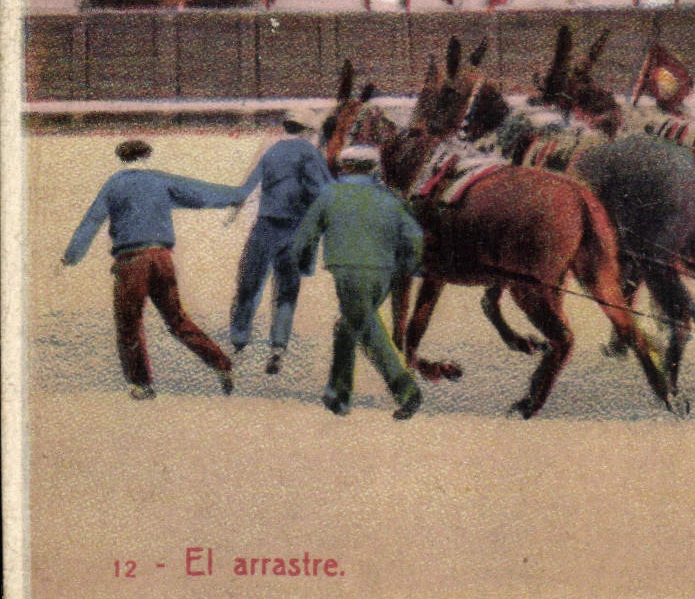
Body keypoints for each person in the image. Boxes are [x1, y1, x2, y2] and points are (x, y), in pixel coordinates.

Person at [61, 140, 243, 400]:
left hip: (131, 261)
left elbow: (92, 221)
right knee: (178, 320)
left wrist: (70, 257)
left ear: (122, 159)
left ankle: (141, 384)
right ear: (146, 157)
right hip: (161, 258)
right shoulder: (160, 180)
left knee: (129, 325)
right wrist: (235, 197)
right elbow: (199, 194)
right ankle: (221, 364)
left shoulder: (114, 184)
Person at [289, 145, 424, 420]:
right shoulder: (388, 197)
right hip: (384, 273)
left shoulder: (331, 193)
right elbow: (414, 236)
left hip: (349, 271)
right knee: (350, 326)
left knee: (364, 326)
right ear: (373, 169)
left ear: (345, 166)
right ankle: (338, 394)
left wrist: (299, 262)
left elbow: (306, 234)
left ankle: (405, 390)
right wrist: (408, 265)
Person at [227, 107, 333, 374]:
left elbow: (248, 185)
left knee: (249, 284)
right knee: (286, 290)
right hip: (295, 230)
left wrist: (234, 211)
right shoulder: (310, 152)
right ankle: (278, 347)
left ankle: (239, 340)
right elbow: (323, 191)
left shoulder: (271, 150)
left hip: (265, 225)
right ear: (307, 131)